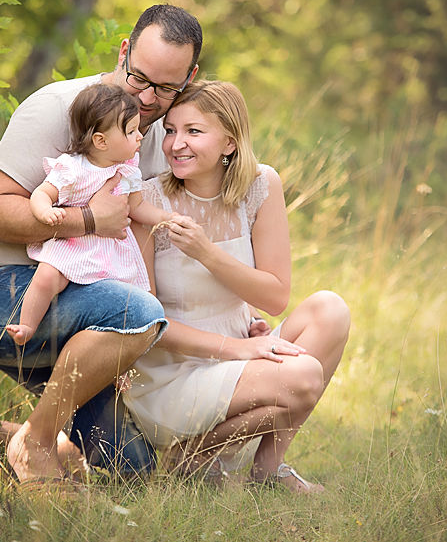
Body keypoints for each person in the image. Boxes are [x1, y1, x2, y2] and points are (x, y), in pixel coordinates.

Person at [0, 4, 202, 483]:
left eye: (165, 88)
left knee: (132, 470)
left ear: (190, 77)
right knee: (133, 312)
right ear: (124, 51)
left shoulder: (164, 134)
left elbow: (149, 232)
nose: (146, 98)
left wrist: (225, 317)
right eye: (138, 77)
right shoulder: (58, 108)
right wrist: (85, 220)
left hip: (85, 300)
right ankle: (36, 447)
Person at [124, 80, 350, 494]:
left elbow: (275, 296)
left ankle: (269, 470)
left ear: (229, 142)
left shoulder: (260, 186)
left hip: (240, 349)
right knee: (302, 376)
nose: (176, 144)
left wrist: (208, 255)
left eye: (194, 131)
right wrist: (240, 349)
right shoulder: (148, 202)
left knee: (330, 309)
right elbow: (148, 327)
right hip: (174, 374)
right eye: (170, 130)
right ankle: (189, 458)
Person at [5, 83, 180, 346]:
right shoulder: (73, 169)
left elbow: (138, 206)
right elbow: (42, 194)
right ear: (101, 141)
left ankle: (122, 356)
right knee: (47, 276)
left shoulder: (128, 171)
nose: (140, 136)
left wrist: (167, 218)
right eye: (131, 131)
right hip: (73, 245)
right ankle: (27, 325)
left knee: (127, 298)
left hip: (112, 252)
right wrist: (44, 212)